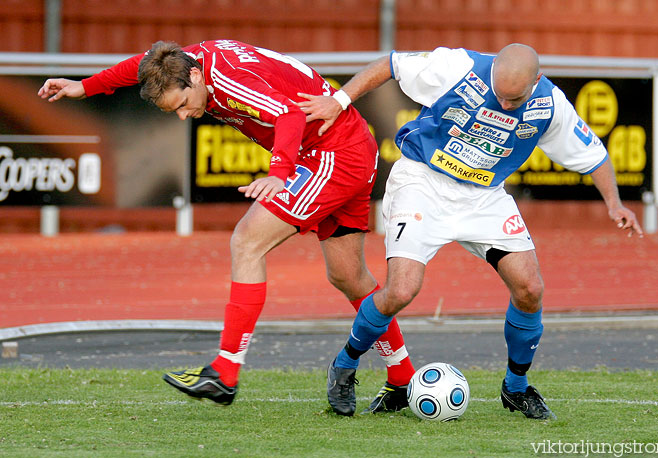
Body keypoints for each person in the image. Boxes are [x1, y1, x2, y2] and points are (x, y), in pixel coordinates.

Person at [38, 39, 417, 412]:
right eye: (175, 111)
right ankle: (401, 378)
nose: (183, 116)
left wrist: (279, 174)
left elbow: (289, 116)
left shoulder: (229, 78)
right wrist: (84, 86)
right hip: (347, 147)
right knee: (348, 276)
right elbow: (143, 61)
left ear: (196, 77)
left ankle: (225, 371)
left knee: (247, 241)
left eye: (183, 104)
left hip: (330, 154)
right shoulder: (184, 60)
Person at [298, 43, 643, 419]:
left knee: (530, 289)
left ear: (536, 81)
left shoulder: (551, 105)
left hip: (484, 197)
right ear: (493, 71)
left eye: (515, 99)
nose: (506, 105)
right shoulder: (458, 66)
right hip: (423, 182)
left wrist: (614, 204)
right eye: (500, 95)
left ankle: (516, 388)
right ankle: (345, 364)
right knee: (401, 290)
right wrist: (340, 99)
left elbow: (594, 155)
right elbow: (390, 64)